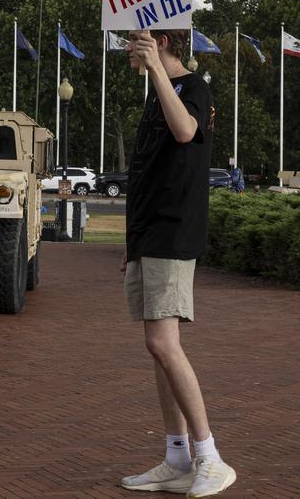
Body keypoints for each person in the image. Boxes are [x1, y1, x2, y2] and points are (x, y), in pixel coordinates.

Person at [120, 30, 235, 497]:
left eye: (133, 40)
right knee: (157, 347)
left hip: (172, 232)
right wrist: (132, 242)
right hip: (148, 236)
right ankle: (177, 455)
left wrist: (157, 71)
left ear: (159, 40)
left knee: (164, 345)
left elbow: (186, 131)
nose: (126, 48)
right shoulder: (156, 96)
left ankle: (210, 457)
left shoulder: (194, 88)